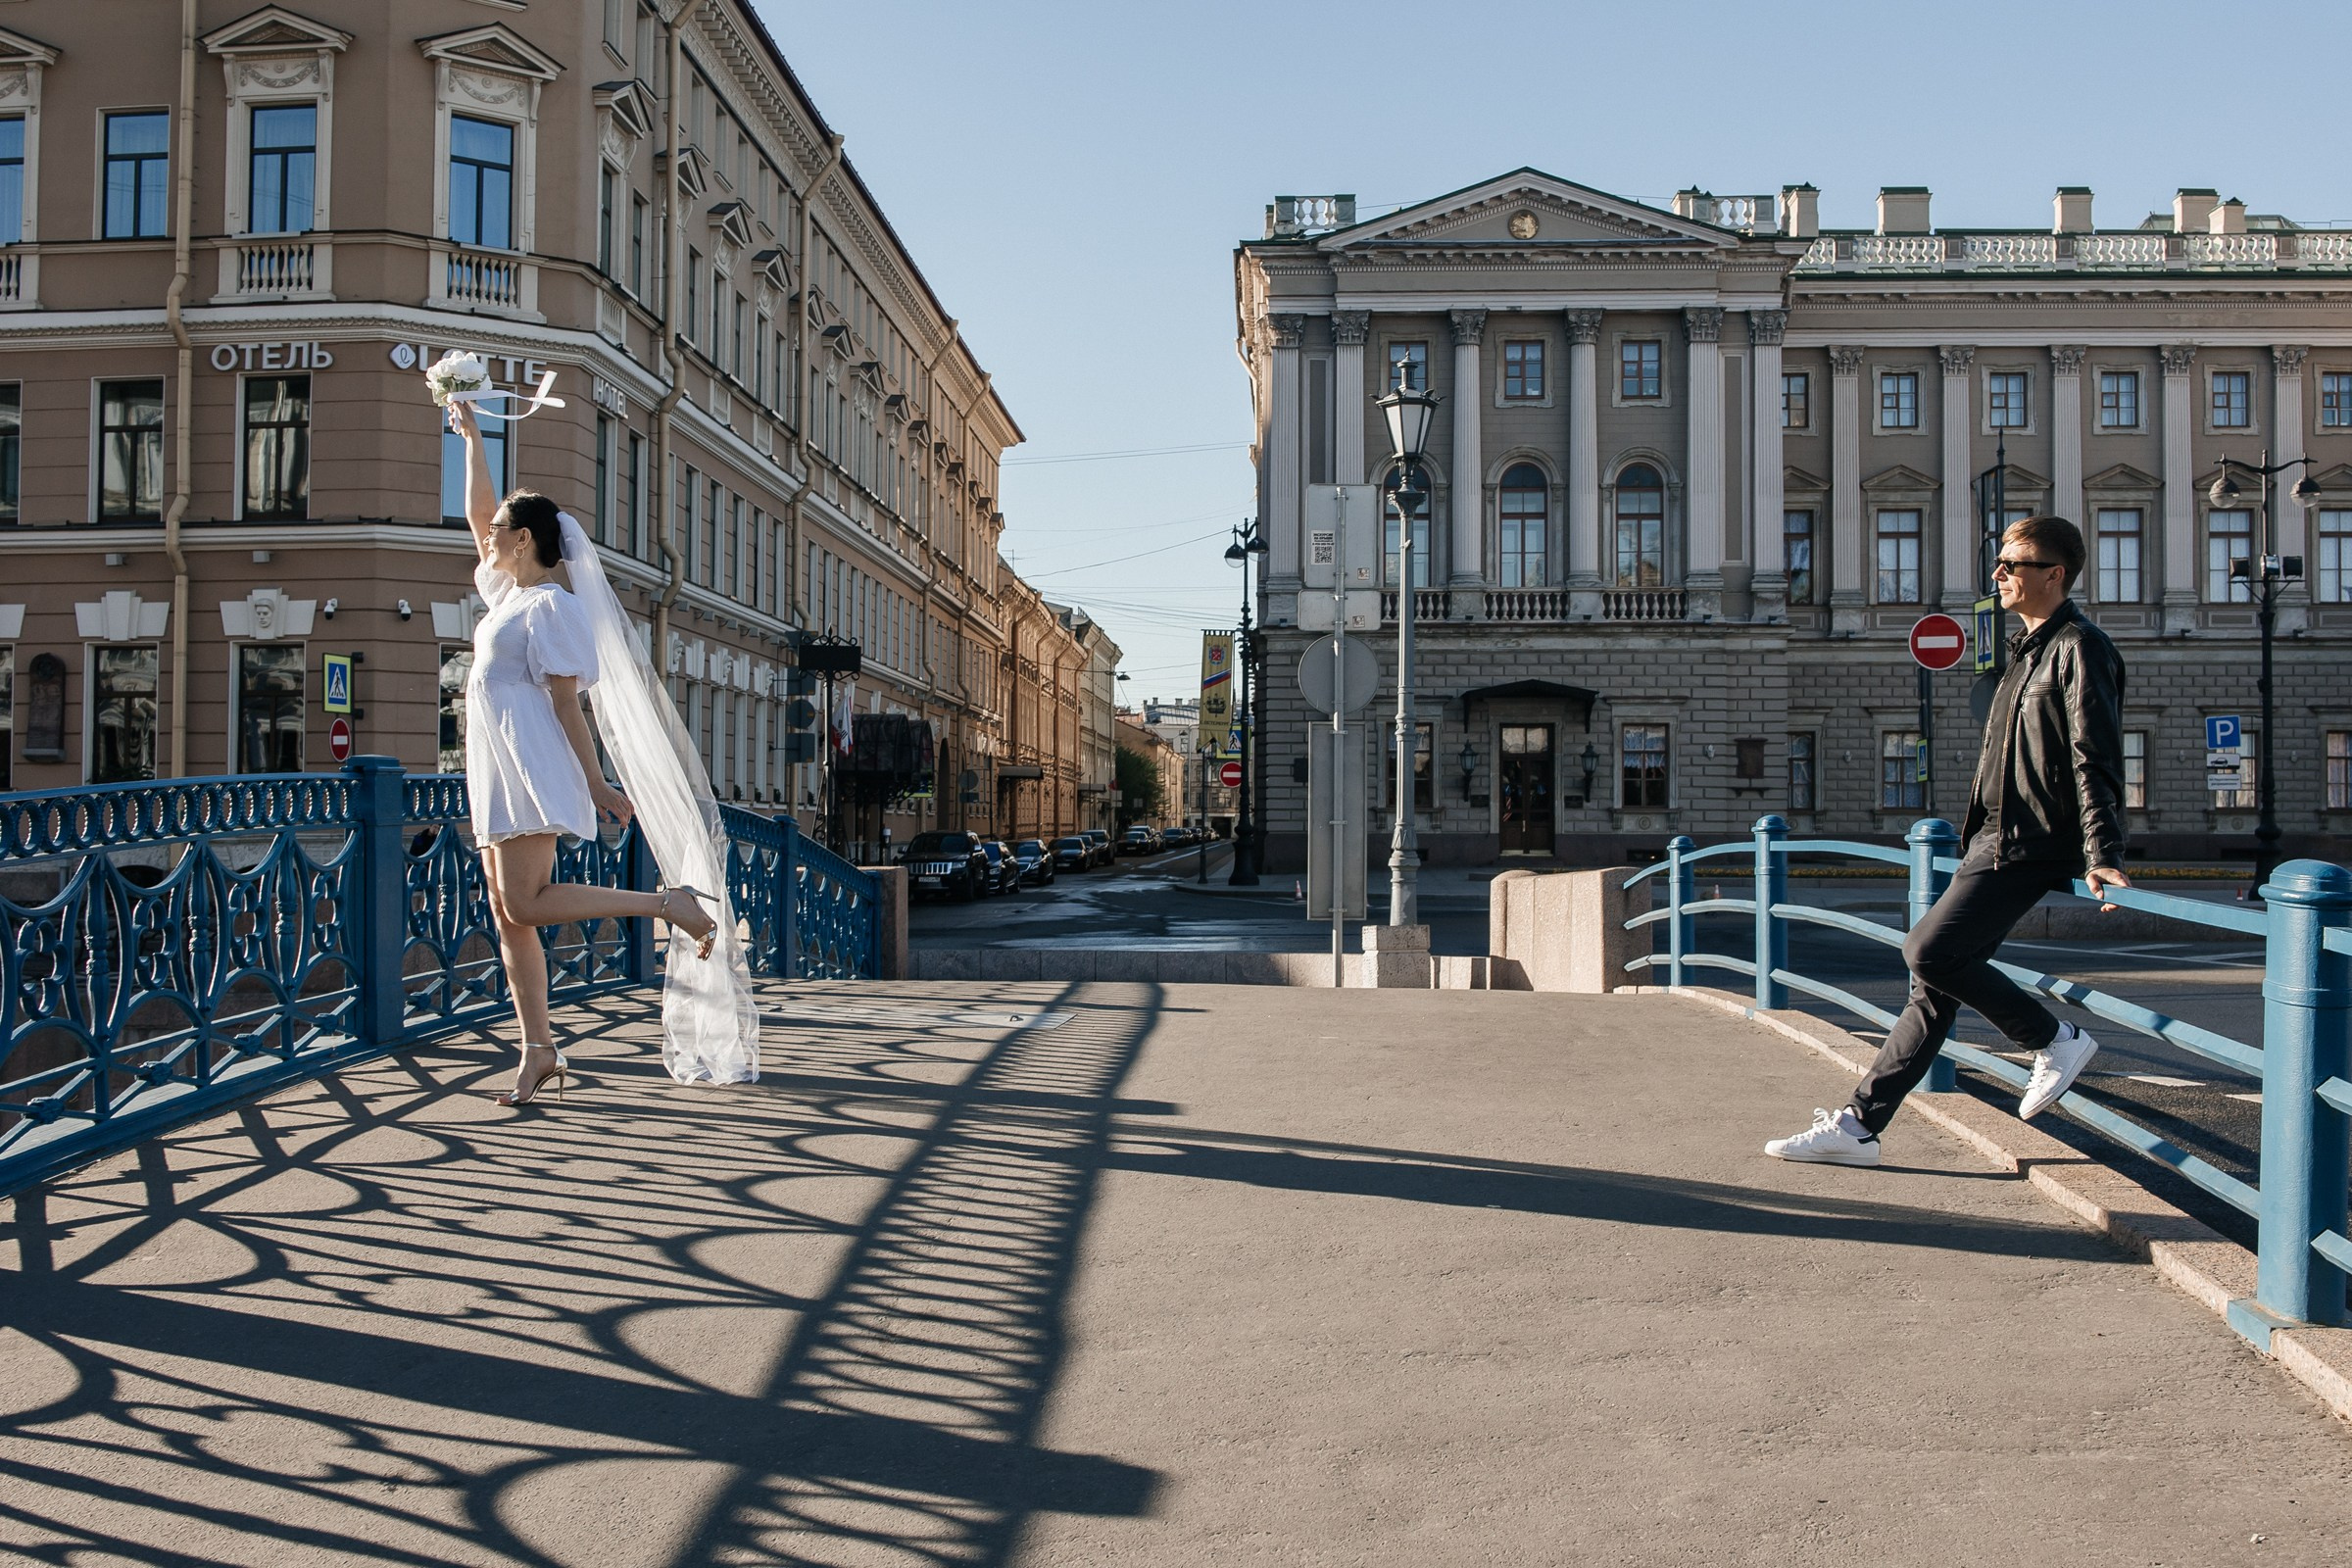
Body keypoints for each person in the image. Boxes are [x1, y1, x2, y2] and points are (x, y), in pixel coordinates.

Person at [1767, 514, 2131, 1166]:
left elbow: (2093, 756)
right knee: (1932, 993)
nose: (1999, 575)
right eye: (1998, 563)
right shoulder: (2027, 650)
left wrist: (2104, 853)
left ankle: (2053, 1038)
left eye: (2013, 565)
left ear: (2054, 573)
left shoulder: (2081, 646)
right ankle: (1859, 1127)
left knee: (1928, 952)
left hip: (2028, 841)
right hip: (1993, 836)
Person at [447, 400, 718, 1105]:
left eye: (503, 530)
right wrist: (473, 437)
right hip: (498, 766)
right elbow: (480, 516)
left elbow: (569, 702)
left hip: (532, 763)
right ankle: (538, 1050)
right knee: (510, 917)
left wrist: (596, 786)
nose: (488, 536)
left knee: (527, 905)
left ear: (527, 538)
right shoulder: (507, 594)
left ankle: (668, 904)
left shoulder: (552, 608)